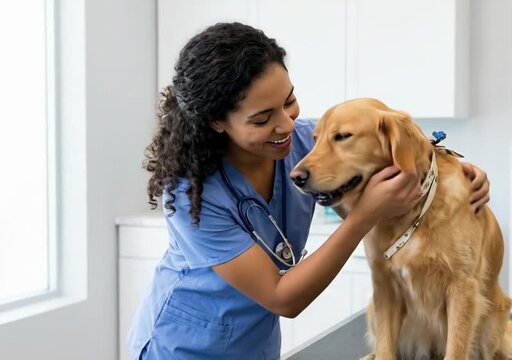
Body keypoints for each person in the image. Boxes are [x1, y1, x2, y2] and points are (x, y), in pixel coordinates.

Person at [128, 22, 491, 359]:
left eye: (288, 101)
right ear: (217, 122)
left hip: (256, 344)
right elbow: (282, 298)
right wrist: (364, 217)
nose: (287, 124)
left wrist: (450, 173)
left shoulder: (304, 142)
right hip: (184, 346)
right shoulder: (193, 197)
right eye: (262, 118)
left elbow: (382, 146)